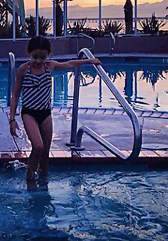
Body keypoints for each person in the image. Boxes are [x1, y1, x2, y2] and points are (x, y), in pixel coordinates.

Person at [9, 35, 100, 182]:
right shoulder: (23, 70)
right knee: (38, 147)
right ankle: (30, 178)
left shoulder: (49, 66)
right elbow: (15, 94)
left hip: (45, 114)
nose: (38, 61)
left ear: (48, 56)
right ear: (29, 53)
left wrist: (89, 61)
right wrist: (12, 119)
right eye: (35, 57)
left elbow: (70, 63)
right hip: (29, 114)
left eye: (42, 57)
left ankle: (43, 185)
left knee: (45, 155)